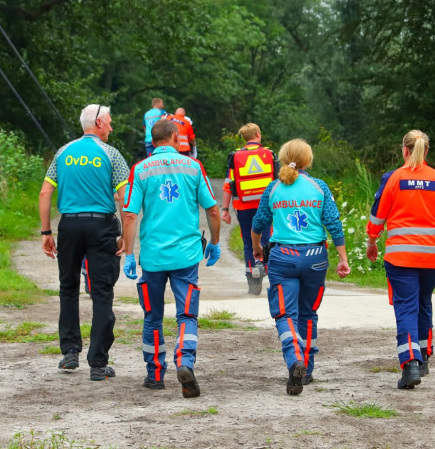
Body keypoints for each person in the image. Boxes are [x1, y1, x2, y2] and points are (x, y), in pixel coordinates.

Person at [365, 129, 435, 390]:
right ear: (426, 151)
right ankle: (423, 358)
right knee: (423, 303)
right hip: (433, 258)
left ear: (405, 150)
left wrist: (372, 242)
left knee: (405, 307)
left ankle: (410, 363)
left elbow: (377, 218)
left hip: (401, 257)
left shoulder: (393, 179)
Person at [122, 119, 222, 398]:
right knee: (186, 314)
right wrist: (214, 243)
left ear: (153, 142)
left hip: (153, 258)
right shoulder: (193, 167)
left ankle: (154, 375)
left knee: (152, 317)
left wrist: (129, 255)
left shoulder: (139, 170)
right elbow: (213, 210)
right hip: (186, 257)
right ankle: (185, 362)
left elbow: (130, 215)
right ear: (176, 138)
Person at [251, 139, 350, 395]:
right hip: (316, 258)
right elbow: (334, 224)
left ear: (282, 158)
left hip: (282, 258)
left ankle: (293, 357)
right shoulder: (319, 187)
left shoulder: (274, 188)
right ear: (308, 160)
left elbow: (258, 222)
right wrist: (343, 258)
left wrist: (257, 249)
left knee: (285, 315)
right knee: (308, 314)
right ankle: (306, 369)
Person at [39, 104, 130, 381]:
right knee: (101, 291)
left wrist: (46, 233)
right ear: (99, 122)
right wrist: (127, 235)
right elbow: (124, 198)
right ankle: (98, 364)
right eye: (110, 123)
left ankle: (69, 353)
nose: (112, 128)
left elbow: (45, 193)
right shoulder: (110, 154)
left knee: (68, 288)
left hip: (69, 224)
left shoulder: (63, 152)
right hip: (100, 225)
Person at [220, 123, 278, 295]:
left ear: (244, 138)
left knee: (248, 241)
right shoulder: (269, 154)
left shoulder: (235, 156)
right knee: (266, 238)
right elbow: (279, 180)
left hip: (243, 206)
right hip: (266, 205)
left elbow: (228, 185)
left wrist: (225, 209)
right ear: (258, 134)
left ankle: (253, 282)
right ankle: (263, 267)